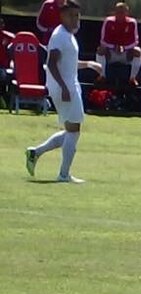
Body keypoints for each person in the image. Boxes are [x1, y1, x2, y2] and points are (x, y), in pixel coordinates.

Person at [24, 0, 83, 184]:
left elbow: (68, 64)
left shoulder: (68, 35)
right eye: (71, 15)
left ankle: (35, 153)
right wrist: (64, 87)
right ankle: (64, 175)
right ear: (62, 16)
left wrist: (88, 64)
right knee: (74, 129)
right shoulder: (59, 35)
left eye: (77, 15)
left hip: (70, 85)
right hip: (64, 87)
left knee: (71, 129)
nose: (75, 19)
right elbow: (51, 63)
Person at [95, 1, 140, 94]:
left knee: (138, 51)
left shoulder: (132, 22)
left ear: (127, 13)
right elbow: (103, 40)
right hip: (111, 54)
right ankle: (102, 76)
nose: (120, 14)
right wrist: (113, 47)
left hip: (126, 54)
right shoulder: (108, 21)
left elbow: (135, 41)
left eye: (122, 12)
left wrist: (125, 48)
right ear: (114, 12)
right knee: (100, 50)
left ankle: (132, 78)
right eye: (118, 12)